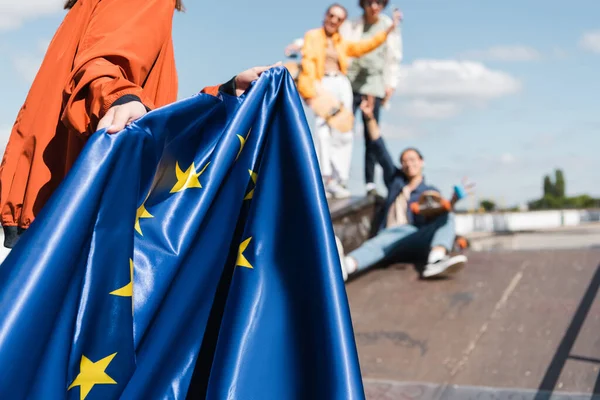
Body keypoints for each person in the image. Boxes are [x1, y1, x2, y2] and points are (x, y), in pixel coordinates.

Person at [0, 0, 277, 248]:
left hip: (47, 201)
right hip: (80, 212)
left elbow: (148, 101)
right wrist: (120, 97)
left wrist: (224, 94)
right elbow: (105, 66)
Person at [336, 97, 473, 281]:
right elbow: (379, 147)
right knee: (378, 243)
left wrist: (453, 201)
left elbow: (437, 213)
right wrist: (369, 118)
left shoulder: (429, 189)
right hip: (389, 239)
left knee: (447, 216)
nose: (409, 164)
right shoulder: (395, 181)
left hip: (414, 237)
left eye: (413, 159)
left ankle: (436, 260)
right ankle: (342, 268)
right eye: (405, 161)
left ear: (421, 162)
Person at [285, 0, 403, 197]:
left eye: (339, 19)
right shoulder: (313, 36)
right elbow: (305, 46)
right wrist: (296, 47)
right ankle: (324, 176)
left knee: (344, 131)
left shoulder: (342, 42)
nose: (334, 20)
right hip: (322, 85)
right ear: (325, 16)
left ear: (342, 23)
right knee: (323, 130)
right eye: (331, 16)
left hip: (342, 83)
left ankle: (340, 179)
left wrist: (389, 30)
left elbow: (363, 47)